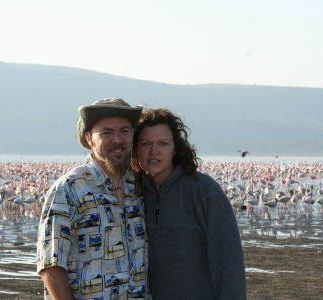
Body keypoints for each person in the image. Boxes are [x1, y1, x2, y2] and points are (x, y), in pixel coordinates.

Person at [37, 98, 149, 300]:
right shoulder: (68, 189)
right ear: (89, 139)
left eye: (124, 131)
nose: (117, 139)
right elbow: (50, 265)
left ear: (133, 135)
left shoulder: (139, 187)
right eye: (106, 132)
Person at [131, 108, 246, 300]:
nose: (154, 151)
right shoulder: (131, 194)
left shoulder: (205, 192)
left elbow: (228, 264)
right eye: (146, 144)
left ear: (176, 148)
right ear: (135, 149)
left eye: (163, 143)